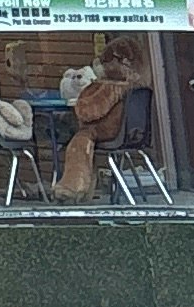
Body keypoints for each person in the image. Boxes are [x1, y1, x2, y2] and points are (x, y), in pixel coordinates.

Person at [55, 36, 151, 200]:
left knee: (79, 144)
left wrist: (82, 101)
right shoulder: (140, 89)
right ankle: (85, 193)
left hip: (107, 132)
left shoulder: (111, 87)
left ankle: (71, 188)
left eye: (104, 63)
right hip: (133, 134)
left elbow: (90, 111)